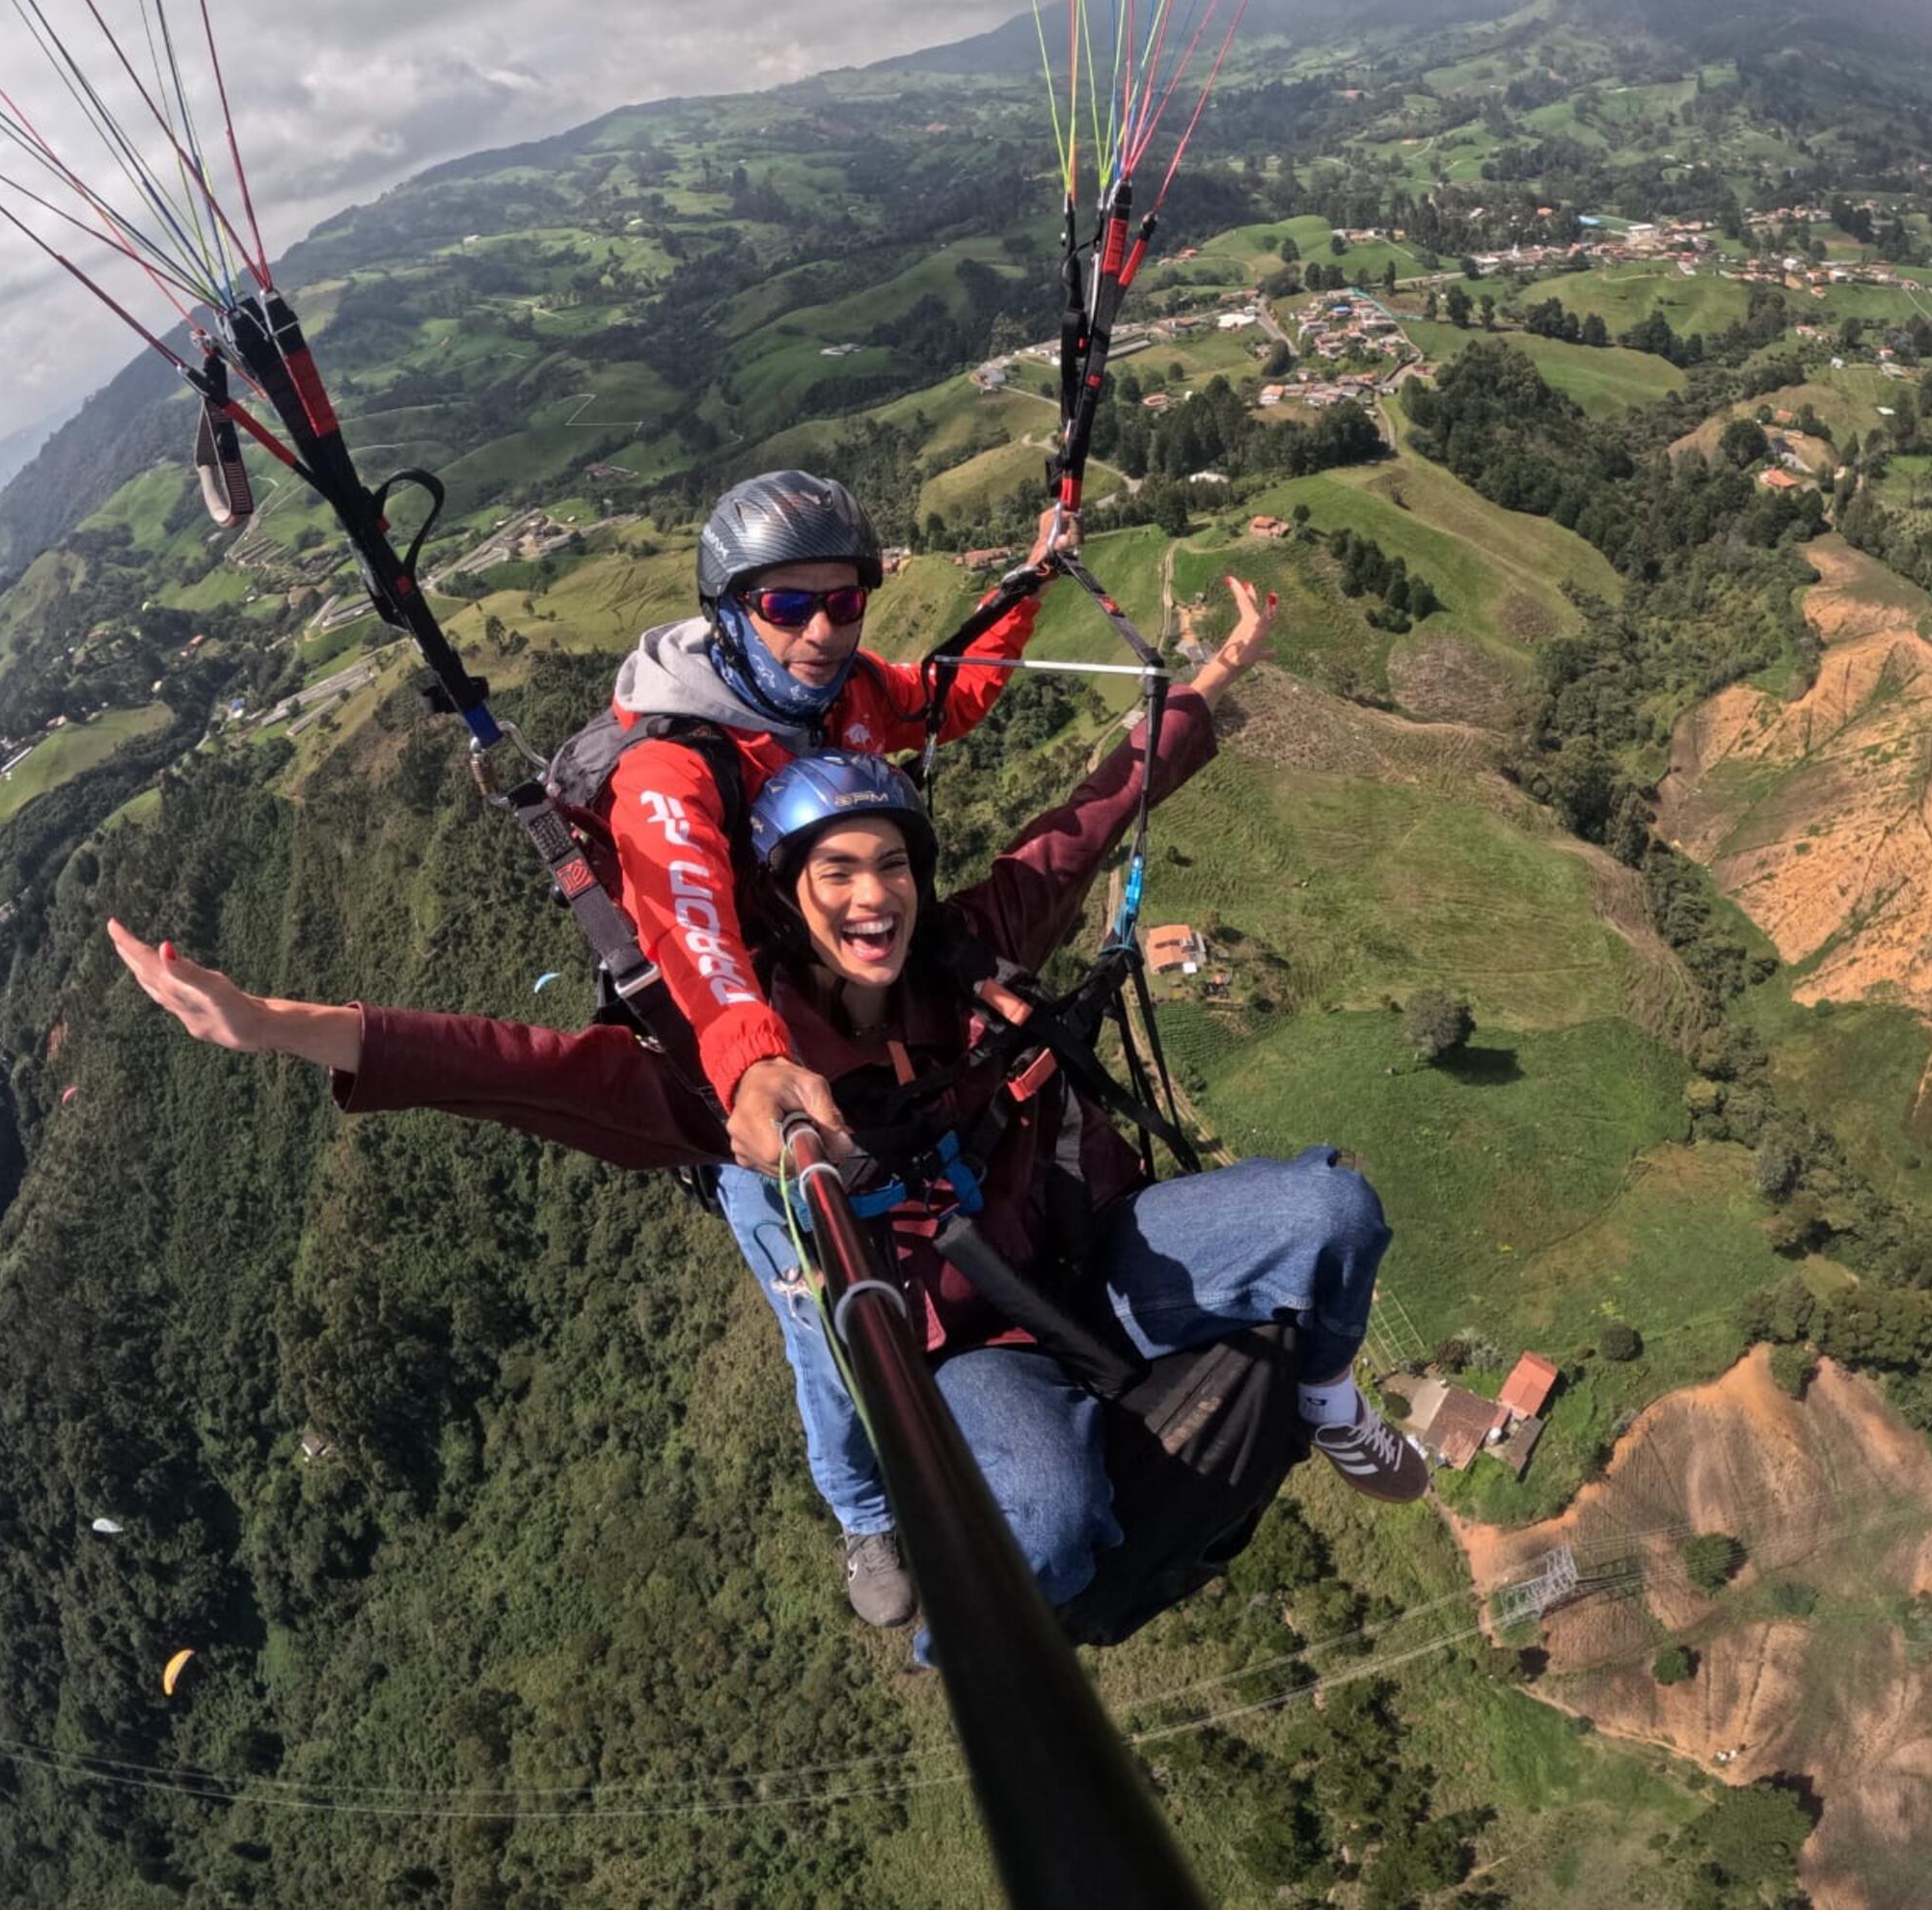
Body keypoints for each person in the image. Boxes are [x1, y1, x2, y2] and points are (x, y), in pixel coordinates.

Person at [107, 573, 1430, 1656]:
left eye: (891, 865)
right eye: (834, 873)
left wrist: (1215, 677)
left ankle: (1326, 1401)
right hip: (970, 1348)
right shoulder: (739, 1076)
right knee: (1044, 1519)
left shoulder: (969, 945)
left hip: (1097, 1250)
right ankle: (965, 1650)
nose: (872, 897)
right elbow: (524, 1067)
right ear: (791, 901)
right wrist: (277, 1025)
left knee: (1333, 1210)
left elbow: (1086, 820)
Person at [558, 467, 1060, 1627]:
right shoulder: (670, 767)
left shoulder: (837, 697)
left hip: (870, 1043)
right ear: (729, 610)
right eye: (788, 604)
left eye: (846, 600)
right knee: (824, 1320)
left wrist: (1026, 586)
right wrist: (750, 1062)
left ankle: (994, 1401)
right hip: (758, 1097)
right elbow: (689, 924)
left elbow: (941, 701)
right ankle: (864, 1514)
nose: (824, 630)